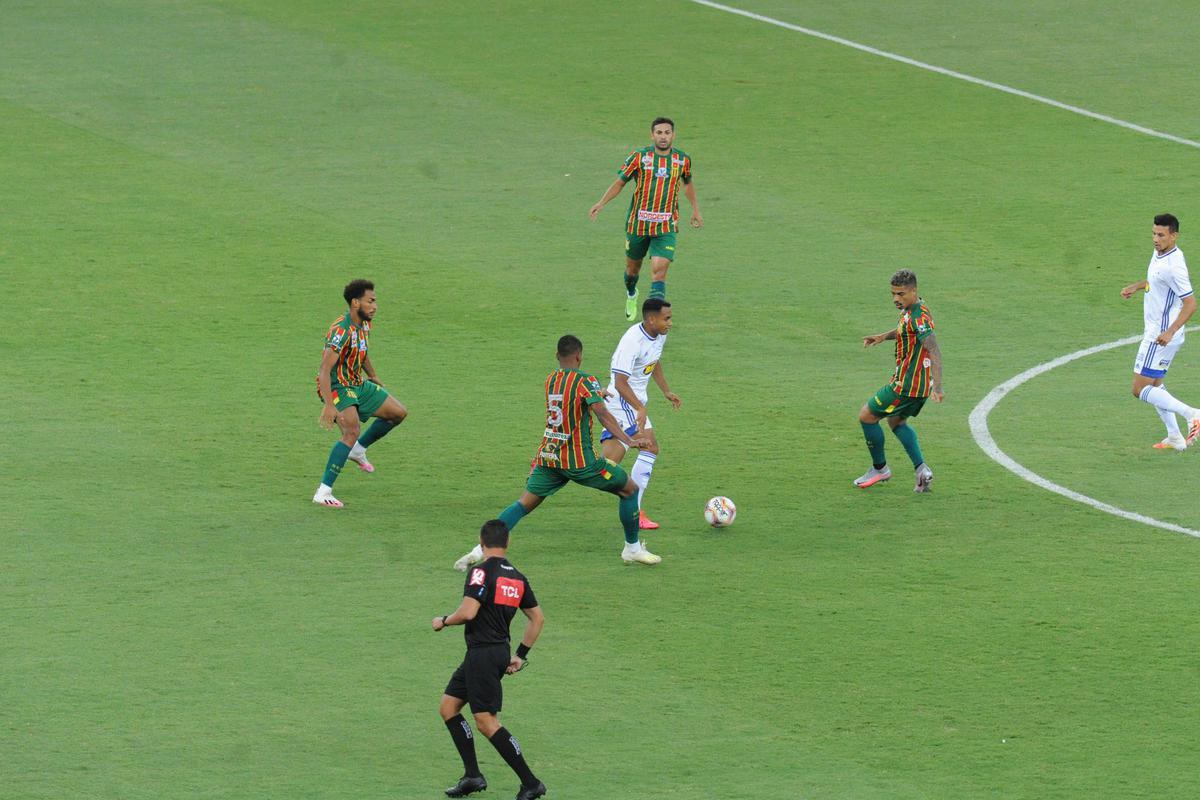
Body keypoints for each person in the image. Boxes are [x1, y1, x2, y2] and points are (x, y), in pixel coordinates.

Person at [454, 335, 661, 569]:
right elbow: (601, 414)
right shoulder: (585, 380)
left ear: (557, 356)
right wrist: (628, 439)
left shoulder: (551, 379)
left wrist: (596, 392)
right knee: (629, 490)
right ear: (579, 356)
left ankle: (477, 551)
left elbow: (570, 399)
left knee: (522, 505)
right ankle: (632, 549)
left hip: (550, 457)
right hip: (580, 462)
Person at [434, 520, 547, 800]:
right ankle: (472, 775)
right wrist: (520, 655)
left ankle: (531, 782)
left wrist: (444, 621)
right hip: (494, 652)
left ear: (481, 543)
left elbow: (469, 612)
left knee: (486, 721)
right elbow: (537, 618)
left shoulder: (480, 572)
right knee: (449, 707)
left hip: (483, 654)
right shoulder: (518, 577)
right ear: (507, 543)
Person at [589, 116, 702, 319]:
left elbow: (687, 183)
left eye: (667, 132)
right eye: (659, 133)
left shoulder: (682, 160)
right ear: (652, 135)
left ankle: (654, 318)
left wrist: (695, 209)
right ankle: (632, 293)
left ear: (673, 135)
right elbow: (620, 182)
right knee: (632, 271)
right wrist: (601, 203)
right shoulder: (639, 158)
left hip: (665, 226)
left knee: (659, 270)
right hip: (638, 226)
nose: (663, 137)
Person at [312, 279, 408, 507]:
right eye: (370, 301)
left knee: (398, 413)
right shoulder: (341, 331)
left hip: (357, 383)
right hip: (338, 386)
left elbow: (362, 353)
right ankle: (323, 492)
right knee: (351, 429)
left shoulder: (365, 324)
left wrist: (373, 375)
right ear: (356, 303)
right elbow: (324, 370)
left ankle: (358, 450)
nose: (375, 306)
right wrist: (329, 405)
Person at [855, 270, 944, 492]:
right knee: (896, 421)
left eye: (901, 294)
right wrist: (883, 336)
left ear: (913, 291)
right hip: (919, 386)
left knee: (867, 415)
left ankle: (880, 468)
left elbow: (934, 350)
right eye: (893, 293)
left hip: (906, 386)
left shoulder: (918, 317)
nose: (896, 298)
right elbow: (906, 331)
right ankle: (922, 471)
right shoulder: (914, 309)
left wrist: (939, 387)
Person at [1120, 213, 1200, 450]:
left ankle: (1193, 414)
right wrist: (1137, 286)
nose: (1155, 239)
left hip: (1160, 336)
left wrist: (1169, 331)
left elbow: (1191, 303)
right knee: (1154, 385)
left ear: (1174, 235)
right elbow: (1156, 282)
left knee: (1139, 388)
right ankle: (1175, 436)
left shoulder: (1174, 266)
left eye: (1161, 235)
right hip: (1161, 334)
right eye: (1154, 234)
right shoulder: (1161, 253)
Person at [599, 298, 680, 530]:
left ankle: (561, 465)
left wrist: (666, 390)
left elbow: (654, 362)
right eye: (666, 319)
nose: (670, 323)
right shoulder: (631, 342)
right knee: (650, 447)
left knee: (606, 466)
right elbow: (620, 382)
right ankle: (635, 510)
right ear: (651, 319)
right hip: (622, 401)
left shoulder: (659, 334)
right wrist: (640, 408)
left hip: (633, 403)